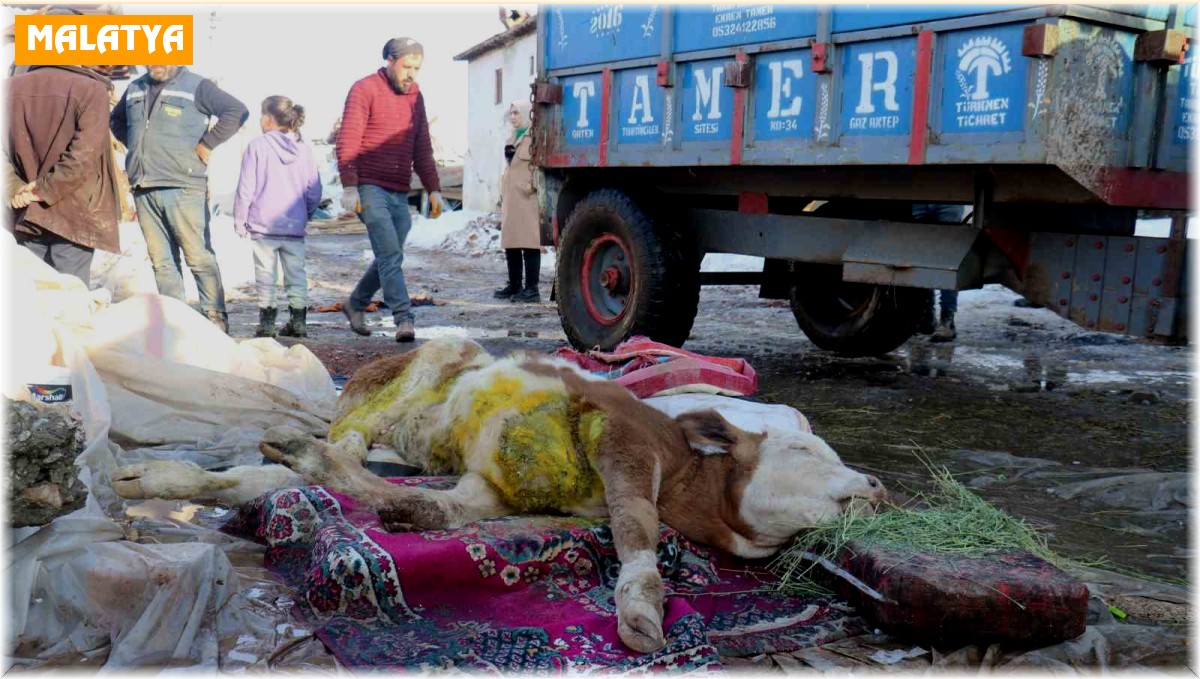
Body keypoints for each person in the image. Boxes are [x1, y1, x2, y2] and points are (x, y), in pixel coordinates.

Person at [110, 65, 249, 333]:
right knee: (162, 262)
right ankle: (175, 324)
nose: (157, 64)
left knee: (198, 256)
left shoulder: (197, 86)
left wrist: (207, 143)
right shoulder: (135, 88)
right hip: (144, 185)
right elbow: (116, 121)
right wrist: (140, 148)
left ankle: (214, 319)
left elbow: (237, 111)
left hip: (183, 185)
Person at [337, 37, 446, 343]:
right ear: (389, 60)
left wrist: (434, 188)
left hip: (399, 190)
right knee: (390, 255)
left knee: (390, 254)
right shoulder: (364, 89)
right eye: (406, 66)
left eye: (417, 68)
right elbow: (348, 138)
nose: (412, 74)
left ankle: (355, 304)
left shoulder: (415, 96)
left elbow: (422, 145)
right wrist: (350, 186)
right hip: (370, 187)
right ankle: (404, 319)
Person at [7, 63, 121, 285]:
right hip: (74, 212)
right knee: (70, 300)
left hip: (25, 210)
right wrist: (42, 190)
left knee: (33, 294)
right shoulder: (91, 89)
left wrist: (15, 188)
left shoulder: (8, 89)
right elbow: (83, 155)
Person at [233, 96, 321, 339]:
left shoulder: (257, 147)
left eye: (261, 115)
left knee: (265, 274)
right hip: (294, 227)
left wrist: (240, 220)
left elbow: (246, 188)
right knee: (296, 275)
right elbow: (314, 190)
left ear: (270, 119)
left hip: (264, 227)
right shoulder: (304, 150)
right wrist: (305, 213)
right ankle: (299, 322)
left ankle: (267, 324)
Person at [494, 100, 541, 303]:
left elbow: (540, 168)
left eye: (516, 113)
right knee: (511, 243)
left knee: (529, 244)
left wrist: (530, 187)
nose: (513, 117)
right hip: (511, 199)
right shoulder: (513, 137)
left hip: (527, 199)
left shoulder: (535, 138)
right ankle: (515, 285)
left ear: (526, 114)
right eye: (511, 113)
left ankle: (532, 290)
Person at [911, 203, 967, 342]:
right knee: (921, 257)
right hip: (921, 198)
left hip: (948, 198)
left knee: (947, 260)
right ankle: (927, 316)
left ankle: (947, 319)